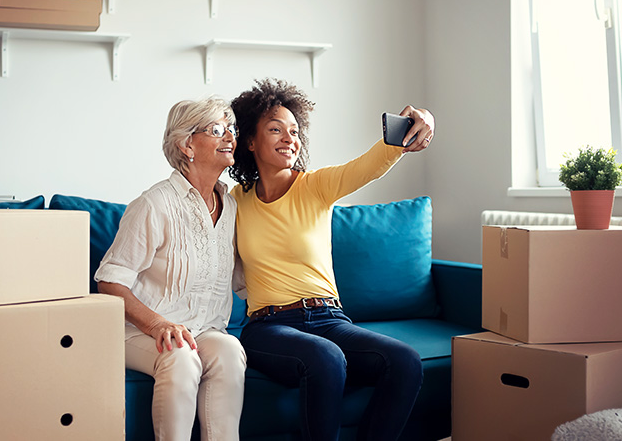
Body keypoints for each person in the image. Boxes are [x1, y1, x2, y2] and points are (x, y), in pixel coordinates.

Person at [228, 78, 435, 441]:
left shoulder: (316, 187)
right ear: (249, 140)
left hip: (329, 318)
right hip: (269, 326)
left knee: (404, 361)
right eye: (275, 129)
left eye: (294, 131)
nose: (289, 139)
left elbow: (367, 166)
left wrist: (421, 122)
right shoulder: (235, 199)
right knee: (324, 358)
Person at [96, 96, 246, 441]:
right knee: (180, 355)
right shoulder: (155, 204)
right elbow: (109, 281)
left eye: (232, 130)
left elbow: (242, 281)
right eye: (218, 130)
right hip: (140, 331)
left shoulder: (232, 207)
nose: (231, 138)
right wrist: (158, 323)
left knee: (229, 350)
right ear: (187, 144)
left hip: (204, 330)